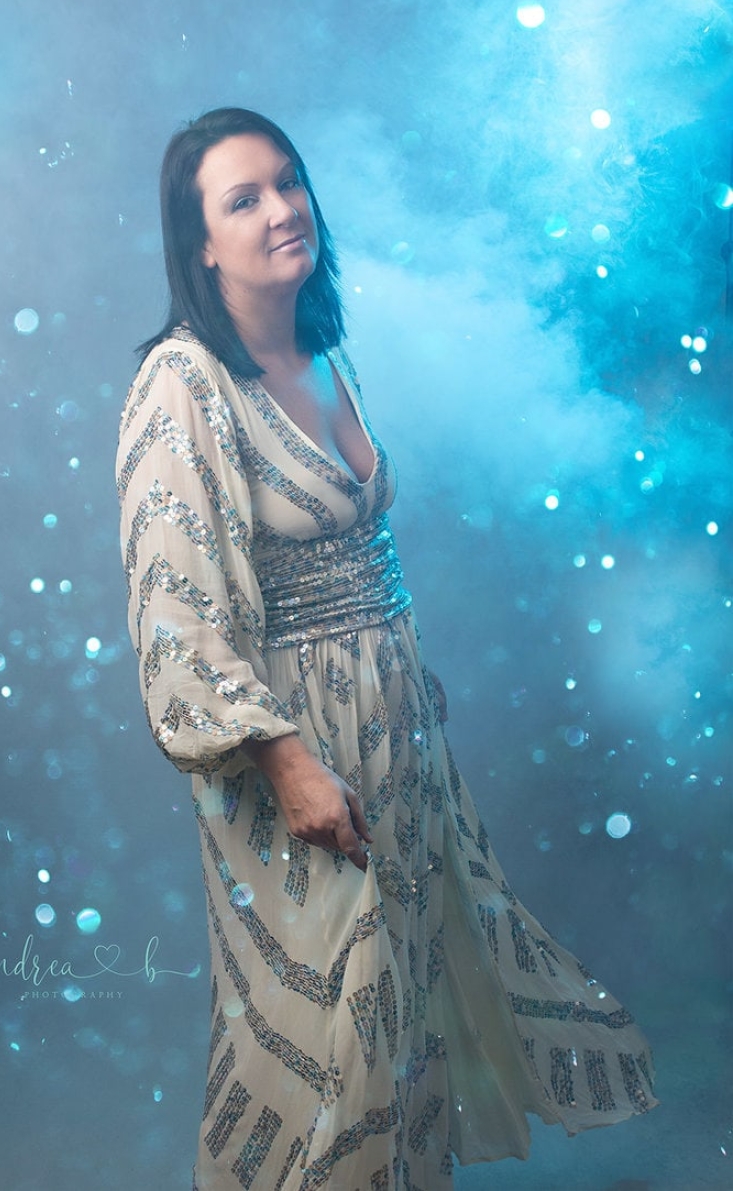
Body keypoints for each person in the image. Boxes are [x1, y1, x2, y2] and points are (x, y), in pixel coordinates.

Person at [116, 107, 657, 1191]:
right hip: (294, 759)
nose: (282, 209)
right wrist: (286, 762)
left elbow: (360, 554)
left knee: (404, 1018)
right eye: (243, 199)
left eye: (288, 182)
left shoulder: (324, 348)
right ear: (199, 245)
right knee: (327, 1032)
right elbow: (174, 617)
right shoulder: (182, 384)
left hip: (397, 738)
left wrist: (405, 679)